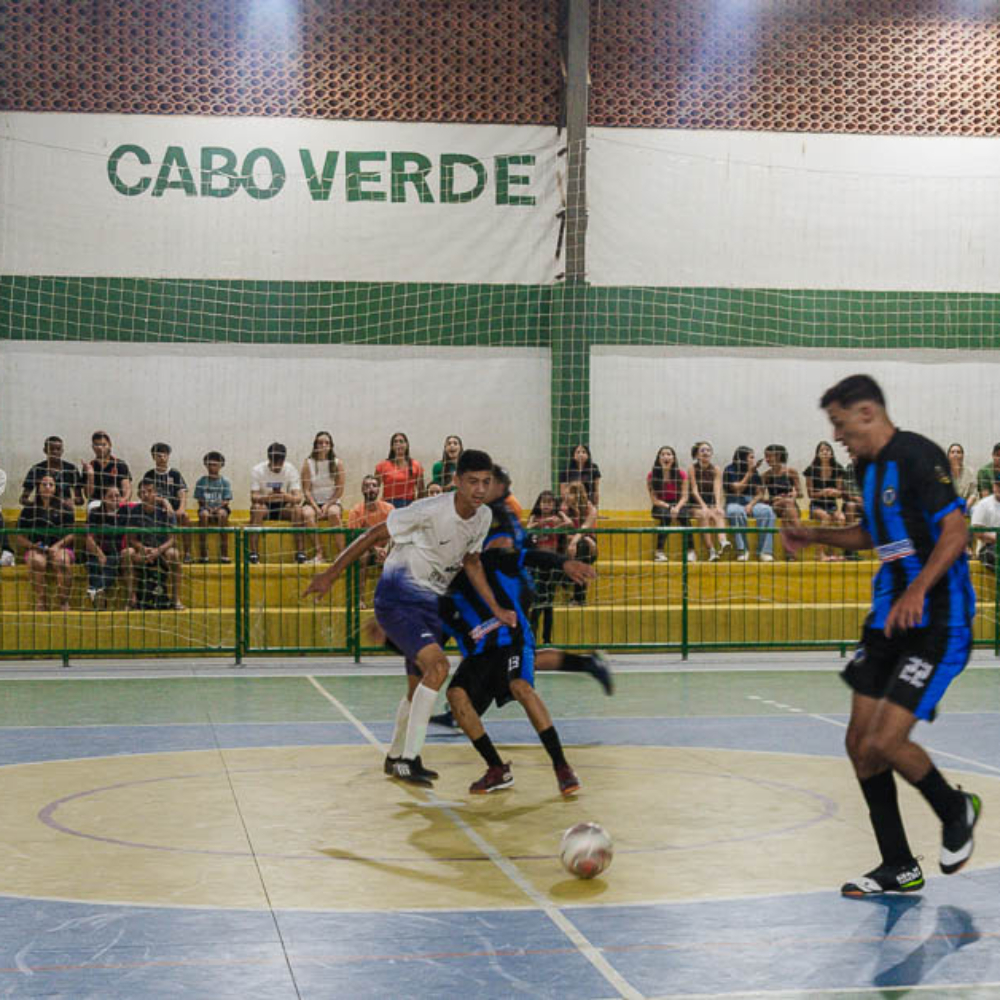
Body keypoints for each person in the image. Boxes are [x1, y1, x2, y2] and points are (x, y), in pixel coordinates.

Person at [781, 373, 980, 898]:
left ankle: (953, 807)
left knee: (886, 741)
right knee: (858, 745)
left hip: (938, 621)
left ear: (867, 412)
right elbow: (874, 533)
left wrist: (917, 589)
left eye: (840, 423)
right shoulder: (865, 467)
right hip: (886, 621)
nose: (838, 435)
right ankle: (898, 865)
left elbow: (956, 532)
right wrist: (814, 533)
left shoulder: (918, 457)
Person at [305, 449, 516, 786]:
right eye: (472, 481)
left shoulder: (483, 517)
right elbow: (372, 535)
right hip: (397, 596)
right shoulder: (430, 510)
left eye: (485, 482)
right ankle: (409, 759)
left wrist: (497, 610)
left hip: (430, 602)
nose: (479, 489)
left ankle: (394, 757)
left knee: (419, 686)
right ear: (456, 481)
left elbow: (472, 563)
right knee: (439, 668)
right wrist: (331, 575)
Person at [441, 540, 591, 796]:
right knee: (455, 695)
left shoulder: (489, 559)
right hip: (479, 655)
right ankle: (496, 768)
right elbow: (432, 641)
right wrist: (393, 634)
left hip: (512, 640)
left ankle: (562, 766)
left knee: (520, 686)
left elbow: (529, 556)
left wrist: (563, 562)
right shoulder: (445, 592)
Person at [248, 442, 318, 565]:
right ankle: (253, 554)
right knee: (256, 509)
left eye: (280, 464)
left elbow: (298, 498)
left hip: (283, 506)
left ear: (284, 460)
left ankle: (300, 553)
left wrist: (285, 496)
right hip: (265, 506)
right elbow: (253, 496)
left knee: (297, 509)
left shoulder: (290, 470)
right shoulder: (258, 470)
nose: (277, 468)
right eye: (274, 464)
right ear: (269, 459)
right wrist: (266, 498)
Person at [16, 474, 76, 611]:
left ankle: (63, 601)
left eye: (51, 484)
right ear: (38, 487)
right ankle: (41, 600)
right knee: (36, 560)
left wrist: (57, 546)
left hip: (60, 548)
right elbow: (19, 536)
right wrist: (32, 546)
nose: (47, 487)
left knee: (61, 560)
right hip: (36, 549)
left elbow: (72, 534)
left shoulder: (65, 509)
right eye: (44, 484)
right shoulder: (29, 510)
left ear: (56, 488)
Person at [125, 479, 184, 610]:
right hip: (143, 551)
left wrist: (158, 550)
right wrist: (143, 548)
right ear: (139, 495)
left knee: (174, 554)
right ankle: (131, 599)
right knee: (127, 553)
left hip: (162, 550)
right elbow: (132, 539)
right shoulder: (135, 511)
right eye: (142, 492)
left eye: (150, 491)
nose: (146, 494)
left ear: (156, 493)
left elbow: (172, 539)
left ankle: (175, 598)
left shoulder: (166, 510)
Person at [527, 489, 571, 641]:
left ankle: (546, 639)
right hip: (538, 565)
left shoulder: (557, 517)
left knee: (548, 603)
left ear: (554, 505)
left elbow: (569, 523)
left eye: (550, 502)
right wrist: (543, 522)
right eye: (543, 502)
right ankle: (531, 637)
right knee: (538, 602)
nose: (546, 505)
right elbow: (528, 527)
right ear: (539, 504)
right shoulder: (535, 517)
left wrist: (555, 519)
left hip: (552, 565)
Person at [346, 474, 394, 606]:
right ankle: (360, 599)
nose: (371, 488)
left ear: (379, 489)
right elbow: (356, 539)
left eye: (374, 485)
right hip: (366, 550)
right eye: (367, 486)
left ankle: (389, 600)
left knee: (397, 554)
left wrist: (385, 550)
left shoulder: (388, 509)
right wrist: (374, 549)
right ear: (362, 490)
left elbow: (396, 533)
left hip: (386, 549)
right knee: (362, 556)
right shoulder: (356, 511)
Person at [723, 446, 775, 562]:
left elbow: (760, 494)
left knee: (767, 511)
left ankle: (765, 551)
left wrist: (751, 504)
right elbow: (737, 490)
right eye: (751, 457)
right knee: (734, 512)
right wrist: (748, 474)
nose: (754, 460)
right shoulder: (729, 470)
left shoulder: (754, 471)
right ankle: (742, 551)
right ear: (742, 458)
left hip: (751, 501)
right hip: (734, 500)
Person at [141, 443, 191, 562]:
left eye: (165, 455)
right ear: (153, 457)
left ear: (168, 456)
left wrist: (181, 509)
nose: (162, 458)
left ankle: (187, 552)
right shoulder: (149, 475)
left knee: (185, 517)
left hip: (173, 510)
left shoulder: (175, 474)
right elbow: (146, 494)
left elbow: (183, 493)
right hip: (155, 509)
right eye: (159, 455)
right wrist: (163, 501)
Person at [84, 485, 132, 609]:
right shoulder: (95, 513)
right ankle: (99, 595)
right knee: (93, 564)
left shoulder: (125, 512)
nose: (114, 499)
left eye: (117, 496)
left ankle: (96, 590)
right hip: (96, 551)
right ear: (103, 498)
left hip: (115, 552)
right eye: (110, 496)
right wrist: (99, 554)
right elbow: (89, 539)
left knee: (113, 562)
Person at [302, 431, 346, 559]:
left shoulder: (338, 463)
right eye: (320, 442)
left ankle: (342, 552)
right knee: (307, 514)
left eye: (327, 442)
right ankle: (319, 552)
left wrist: (327, 505)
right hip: (313, 502)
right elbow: (306, 490)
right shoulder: (308, 463)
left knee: (333, 513)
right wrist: (316, 507)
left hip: (332, 501)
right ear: (315, 445)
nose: (323, 445)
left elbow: (339, 490)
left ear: (331, 445)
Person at [685, 441, 729, 562]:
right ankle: (711, 550)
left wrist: (718, 505)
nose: (706, 452)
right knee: (704, 514)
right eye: (702, 450)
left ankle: (723, 541)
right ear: (697, 455)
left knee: (719, 513)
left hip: (709, 505)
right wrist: (703, 506)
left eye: (708, 450)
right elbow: (694, 490)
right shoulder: (692, 468)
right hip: (694, 504)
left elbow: (717, 489)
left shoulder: (716, 469)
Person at [803, 441, 846, 561]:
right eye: (822, 450)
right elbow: (810, 494)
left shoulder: (837, 468)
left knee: (841, 519)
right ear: (817, 454)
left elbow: (840, 492)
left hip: (832, 505)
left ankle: (835, 552)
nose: (825, 452)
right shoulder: (811, 470)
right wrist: (823, 492)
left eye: (827, 450)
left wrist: (835, 492)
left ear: (832, 453)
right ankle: (820, 554)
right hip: (817, 505)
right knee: (826, 518)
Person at [647, 446, 689, 563]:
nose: (666, 456)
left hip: (678, 503)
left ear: (674, 458)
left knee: (685, 517)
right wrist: (670, 508)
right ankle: (659, 552)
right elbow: (654, 500)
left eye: (669, 454)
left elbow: (685, 496)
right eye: (663, 454)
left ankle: (691, 551)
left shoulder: (681, 474)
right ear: (658, 458)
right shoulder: (652, 476)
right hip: (661, 505)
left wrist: (677, 507)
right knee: (666, 517)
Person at [763, 444, 802, 559]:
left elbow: (800, 493)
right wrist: (772, 499)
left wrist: (794, 495)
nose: (767, 459)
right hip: (775, 506)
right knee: (787, 503)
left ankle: (790, 554)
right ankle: (800, 531)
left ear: (778, 456)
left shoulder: (791, 472)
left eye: (769, 456)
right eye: (766, 457)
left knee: (786, 516)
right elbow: (759, 497)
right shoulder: (766, 475)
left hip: (791, 507)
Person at [20, 436, 84, 507]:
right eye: (51, 449)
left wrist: (71, 501)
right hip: (42, 513)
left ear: (62, 451)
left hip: (64, 511)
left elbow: (80, 500)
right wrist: (36, 506)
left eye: (58, 449)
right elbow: (23, 499)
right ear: (45, 450)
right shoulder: (37, 469)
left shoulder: (71, 469)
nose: (55, 452)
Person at [561, 480, 597, 605]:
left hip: (586, 546)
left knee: (582, 548)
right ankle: (579, 596)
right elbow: (562, 535)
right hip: (571, 545)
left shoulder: (590, 509)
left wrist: (579, 540)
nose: (571, 496)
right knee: (580, 548)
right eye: (570, 493)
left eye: (575, 493)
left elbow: (585, 527)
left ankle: (576, 593)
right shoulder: (563, 509)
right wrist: (578, 540)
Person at [193, 451, 233, 563]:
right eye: (209, 464)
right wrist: (208, 508)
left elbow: (226, 500)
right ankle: (203, 553)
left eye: (215, 465)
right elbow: (199, 499)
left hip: (220, 508)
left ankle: (224, 553)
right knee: (203, 515)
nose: (212, 467)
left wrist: (217, 508)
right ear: (206, 465)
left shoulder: (225, 482)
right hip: (206, 508)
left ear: (221, 466)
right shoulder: (202, 481)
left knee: (222, 514)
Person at [375, 432, 425, 509]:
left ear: (407, 445)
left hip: (408, 506)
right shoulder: (382, 466)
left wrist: (416, 507)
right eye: (395, 442)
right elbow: (375, 489)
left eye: (401, 441)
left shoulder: (416, 465)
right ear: (392, 447)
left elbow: (421, 491)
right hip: (388, 506)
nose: (398, 444)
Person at [84, 431, 132, 508]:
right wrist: (90, 476)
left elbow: (127, 488)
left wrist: (124, 500)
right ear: (93, 447)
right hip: (97, 503)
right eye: (96, 445)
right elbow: (88, 495)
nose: (100, 448)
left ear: (110, 445)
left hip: (116, 502)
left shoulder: (120, 464)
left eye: (103, 444)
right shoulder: (90, 466)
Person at [971, 474, 1000, 569]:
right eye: (997, 485)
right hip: (988, 548)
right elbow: (977, 532)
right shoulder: (983, 504)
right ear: (993, 486)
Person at [559, 443, 601, 508]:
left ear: (588, 455)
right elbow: (563, 492)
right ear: (573, 455)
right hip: (571, 502)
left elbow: (596, 491)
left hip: (588, 503)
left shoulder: (593, 468)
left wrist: (596, 508)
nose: (581, 454)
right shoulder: (566, 470)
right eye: (578, 452)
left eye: (584, 452)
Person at [947, 443, 978, 514]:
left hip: (966, 506)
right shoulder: (944, 472)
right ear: (948, 456)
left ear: (963, 456)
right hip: (948, 507)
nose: (955, 454)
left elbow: (973, 494)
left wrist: (965, 508)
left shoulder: (970, 472)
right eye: (952, 452)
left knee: (976, 509)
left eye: (958, 452)